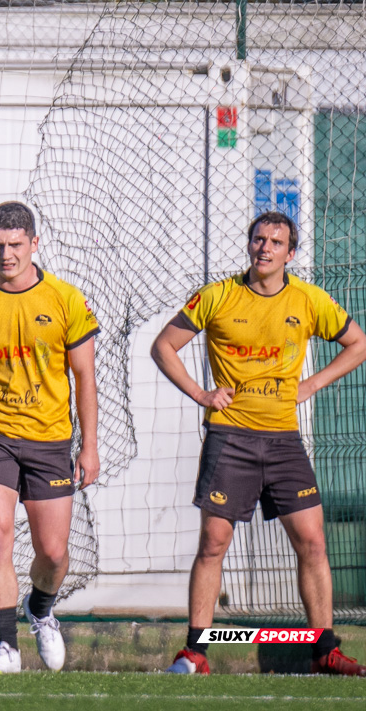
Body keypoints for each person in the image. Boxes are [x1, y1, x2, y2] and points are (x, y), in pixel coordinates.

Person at [151, 211, 366, 677]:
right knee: (214, 541)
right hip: (231, 439)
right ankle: (196, 652)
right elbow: (163, 346)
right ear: (249, 246)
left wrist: (311, 385)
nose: (264, 247)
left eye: (275, 242)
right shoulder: (218, 296)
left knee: (312, 542)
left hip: (285, 440)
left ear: (291, 254)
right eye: (258, 239)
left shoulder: (309, 300)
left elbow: (358, 343)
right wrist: (202, 394)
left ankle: (324, 650)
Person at [0, 200, 99, 675]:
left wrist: (89, 446)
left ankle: (41, 607)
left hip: (51, 440)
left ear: (34, 243)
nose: (5, 255)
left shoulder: (66, 299)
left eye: (14, 245)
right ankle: (6, 646)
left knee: (53, 553)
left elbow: (85, 377)